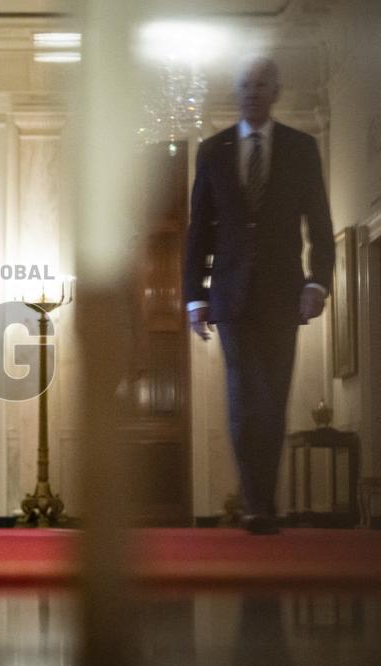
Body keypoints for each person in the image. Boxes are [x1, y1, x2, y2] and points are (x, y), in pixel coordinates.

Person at [183, 57, 334, 535]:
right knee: (243, 395)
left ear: (275, 91)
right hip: (230, 296)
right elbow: (198, 230)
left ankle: (262, 501)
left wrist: (317, 282)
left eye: (261, 84)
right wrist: (194, 295)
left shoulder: (300, 147)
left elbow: (321, 225)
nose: (252, 91)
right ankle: (255, 505)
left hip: (282, 295)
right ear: (238, 90)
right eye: (245, 84)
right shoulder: (213, 150)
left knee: (272, 399)